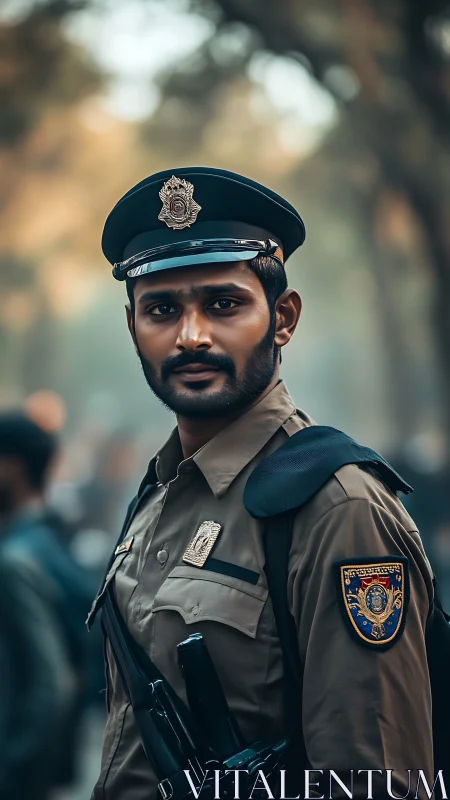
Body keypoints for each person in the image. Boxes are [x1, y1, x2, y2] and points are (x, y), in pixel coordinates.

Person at [88, 168, 434, 799]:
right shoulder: (158, 494)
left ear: (283, 317)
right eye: (162, 309)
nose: (191, 336)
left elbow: (375, 778)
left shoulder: (336, 507)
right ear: (133, 327)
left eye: (223, 305)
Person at [0, 411, 94, 797]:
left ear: (12, 466)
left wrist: (13, 763)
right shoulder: (52, 542)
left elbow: (51, 682)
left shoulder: (17, 558)